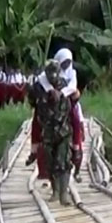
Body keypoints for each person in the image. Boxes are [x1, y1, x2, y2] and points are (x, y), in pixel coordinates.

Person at [28, 48, 85, 182]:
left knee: (75, 119)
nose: (66, 65)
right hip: (48, 101)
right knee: (36, 122)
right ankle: (33, 151)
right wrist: (51, 91)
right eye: (64, 62)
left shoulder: (72, 72)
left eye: (68, 62)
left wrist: (62, 94)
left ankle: (76, 148)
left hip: (66, 101)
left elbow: (73, 87)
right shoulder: (49, 72)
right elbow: (42, 80)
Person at [30, 60, 74, 204]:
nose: (53, 75)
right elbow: (33, 104)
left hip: (63, 131)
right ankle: (55, 191)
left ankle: (64, 193)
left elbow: (73, 105)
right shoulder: (39, 88)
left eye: (55, 72)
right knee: (50, 162)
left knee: (64, 162)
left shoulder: (66, 86)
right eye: (50, 72)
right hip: (48, 131)